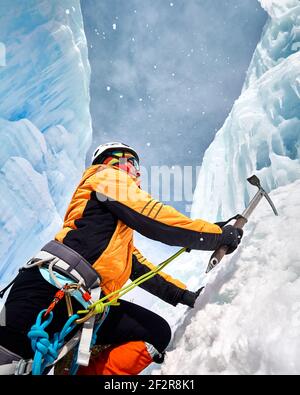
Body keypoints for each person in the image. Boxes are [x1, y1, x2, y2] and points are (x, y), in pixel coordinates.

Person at [0, 142, 243, 375]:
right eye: (133, 165)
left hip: (83, 302)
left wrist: (183, 295)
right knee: (8, 360)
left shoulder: (115, 236)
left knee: (154, 334)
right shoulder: (105, 176)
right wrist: (214, 236)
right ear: (113, 161)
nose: (137, 173)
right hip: (50, 288)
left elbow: (139, 268)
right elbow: (154, 218)